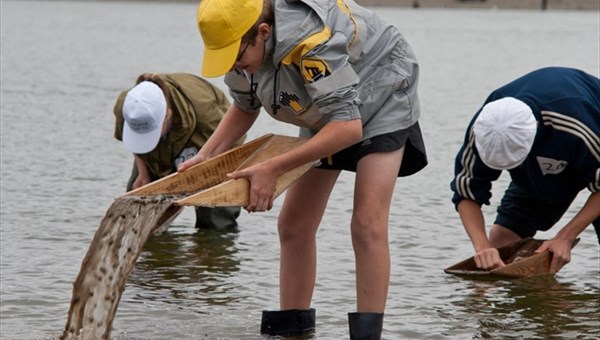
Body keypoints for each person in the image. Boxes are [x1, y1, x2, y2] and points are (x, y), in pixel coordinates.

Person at [178, 0, 427, 338]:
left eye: (238, 57)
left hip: (382, 90)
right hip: (325, 105)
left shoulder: (312, 43)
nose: (236, 66)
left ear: (263, 33)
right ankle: (292, 331)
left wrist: (271, 167)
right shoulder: (243, 43)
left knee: (366, 223)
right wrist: (206, 156)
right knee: (293, 224)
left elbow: (348, 129)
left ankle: (367, 335)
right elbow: (244, 105)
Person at [450, 67, 600, 275]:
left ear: (536, 129)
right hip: (541, 167)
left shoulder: (576, 126)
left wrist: (565, 237)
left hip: (583, 138)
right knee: (503, 242)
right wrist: (483, 247)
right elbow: (466, 192)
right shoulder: (485, 126)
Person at [113, 73, 245, 229]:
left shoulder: (206, 115)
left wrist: (202, 180)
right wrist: (143, 172)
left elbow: (234, 140)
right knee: (136, 207)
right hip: (155, 154)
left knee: (216, 214)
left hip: (204, 145)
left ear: (168, 114)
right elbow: (136, 145)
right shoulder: (128, 106)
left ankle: (211, 248)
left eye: (151, 132)